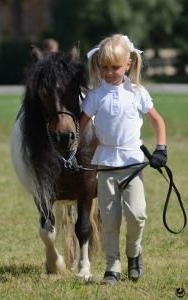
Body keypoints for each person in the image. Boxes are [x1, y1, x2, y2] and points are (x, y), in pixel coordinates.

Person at [79, 34, 167, 285]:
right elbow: (79, 128)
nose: (108, 72)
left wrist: (161, 149)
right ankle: (112, 267)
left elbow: (157, 121)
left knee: (137, 215)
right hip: (105, 164)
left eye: (114, 67)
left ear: (128, 64)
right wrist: (71, 153)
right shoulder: (94, 97)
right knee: (109, 219)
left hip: (132, 164)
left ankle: (134, 254)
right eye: (103, 67)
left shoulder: (137, 93)